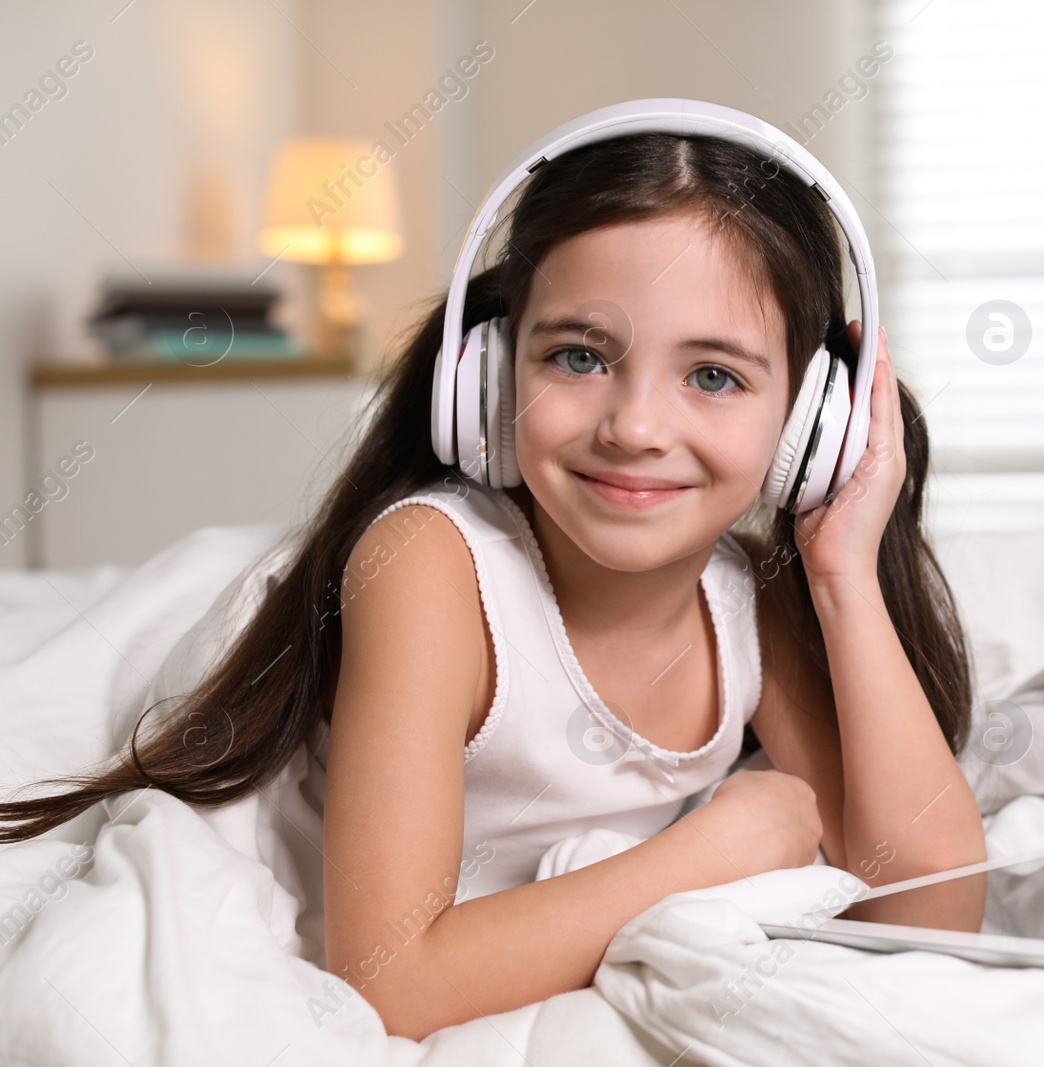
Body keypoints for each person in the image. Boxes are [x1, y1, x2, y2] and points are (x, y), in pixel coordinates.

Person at [0, 130, 985, 1040]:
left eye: (714, 376)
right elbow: (388, 982)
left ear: (813, 426)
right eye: (580, 356)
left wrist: (842, 569)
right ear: (489, 377)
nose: (634, 425)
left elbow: (932, 905)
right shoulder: (431, 564)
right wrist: (706, 853)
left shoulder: (751, 596)